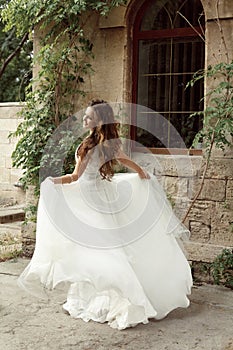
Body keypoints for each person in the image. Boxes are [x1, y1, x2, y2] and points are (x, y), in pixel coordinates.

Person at [18, 99, 192, 330]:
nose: (84, 119)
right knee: (108, 249)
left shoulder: (89, 144)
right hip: (103, 196)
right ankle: (103, 297)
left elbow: (75, 177)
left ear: (99, 121)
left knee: (96, 251)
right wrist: (141, 173)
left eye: (88, 117)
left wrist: (52, 181)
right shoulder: (108, 143)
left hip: (90, 200)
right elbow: (123, 160)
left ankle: (113, 299)